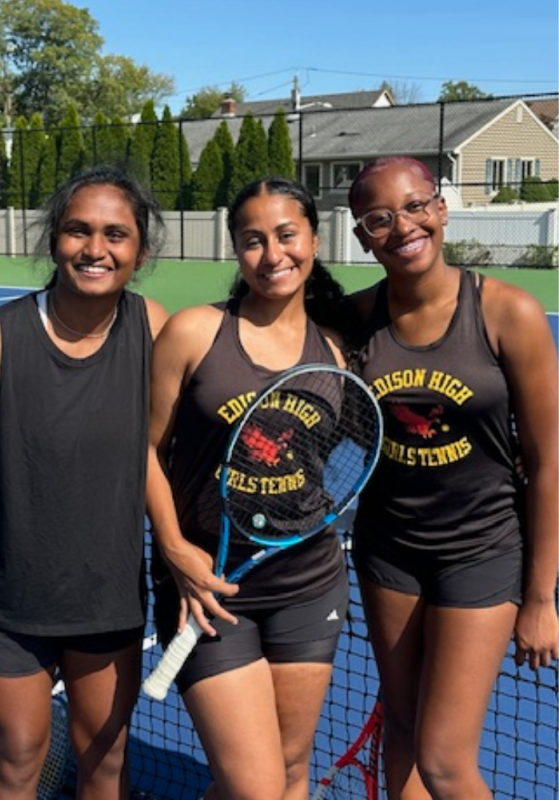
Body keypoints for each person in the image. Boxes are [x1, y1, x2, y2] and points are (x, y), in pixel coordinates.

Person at [0, 166, 168, 800]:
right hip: (6, 602)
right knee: (17, 760)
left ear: (140, 251)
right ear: (54, 241)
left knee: (104, 762)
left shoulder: (153, 328)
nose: (95, 249)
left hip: (107, 600)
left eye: (115, 234)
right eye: (78, 230)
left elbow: (168, 450)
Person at [346, 156, 558, 800]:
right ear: (362, 237)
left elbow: (549, 464)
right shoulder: (351, 321)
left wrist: (542, 598)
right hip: (389, 554)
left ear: (440, 210)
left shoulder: (508, 313)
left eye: (415, 207)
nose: (402, 226)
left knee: (442, 760)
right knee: (403, 730)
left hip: (483, 554)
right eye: (379, 218)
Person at [145, 177, 354, 799]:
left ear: (314, 240)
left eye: (287, 235)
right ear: (236, 250)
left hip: (307, 583)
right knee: (255, 785)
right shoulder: (193, 333)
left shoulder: (339, 350)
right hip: (208, 586)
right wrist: (178, 553)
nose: (273, 254)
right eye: (253, 241)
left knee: (290, 773)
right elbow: (144, 452)